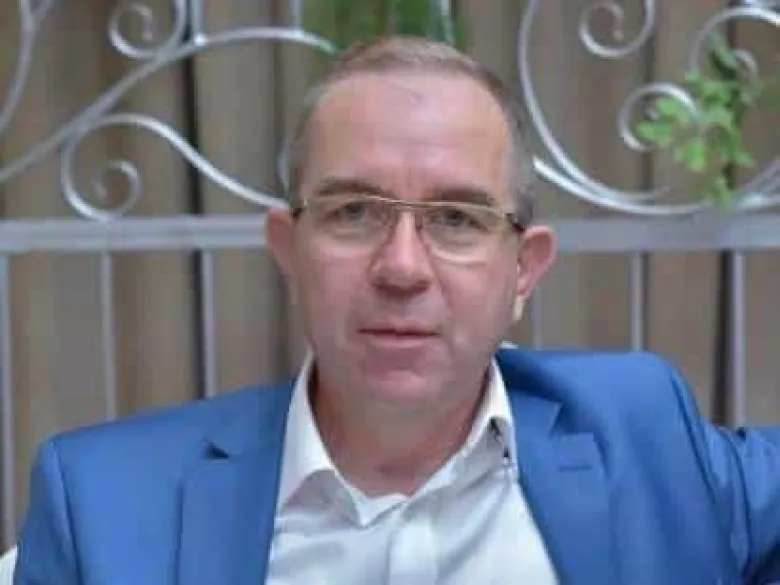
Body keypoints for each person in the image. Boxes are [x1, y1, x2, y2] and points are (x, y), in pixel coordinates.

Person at [12, 35, 780, 585]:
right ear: (288, 248)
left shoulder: (642, 434)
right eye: (353, 212)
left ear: (524, 270)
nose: (403, 267)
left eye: (457, 219)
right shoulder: (106, 504)